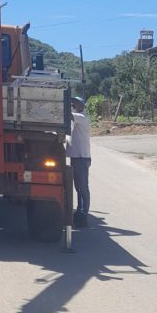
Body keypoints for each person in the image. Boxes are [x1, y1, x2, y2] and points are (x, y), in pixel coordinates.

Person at [67, 95, 92, 227]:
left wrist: (64, 101)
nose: (73, 105)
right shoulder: (79, 118)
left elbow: (68, 115)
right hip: (78, 158)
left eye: (75, 103)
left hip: (81, 158)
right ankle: (80, 213)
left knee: (82, 188)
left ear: (81, 106)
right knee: (79, 188)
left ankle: (83, 215)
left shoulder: (81, 118)